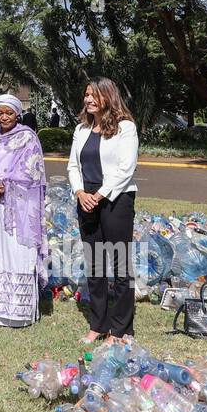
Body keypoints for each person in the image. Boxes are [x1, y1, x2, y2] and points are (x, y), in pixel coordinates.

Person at [67, 77, 139, 344]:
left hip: (115, 200)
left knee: (120, 265)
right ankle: (98, 324)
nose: (88, 100)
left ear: (108, 97)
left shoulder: (125, 128)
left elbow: (125, 168)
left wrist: (98, 195)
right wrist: (80, 193)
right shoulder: (81, 130)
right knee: (95, 266)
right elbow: (73, 166)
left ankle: (121, 329)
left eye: (94, 95)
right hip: (86, 199)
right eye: (86, 95)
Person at [0, 94, 47, 328]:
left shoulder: (27, 137)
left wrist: (7, 185)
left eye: (9, 113)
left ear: (18, 114)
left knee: (16, 251)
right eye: (0, 113)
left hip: (19, 207)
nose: (4, 117)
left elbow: (33, 172)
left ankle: (18, 312)